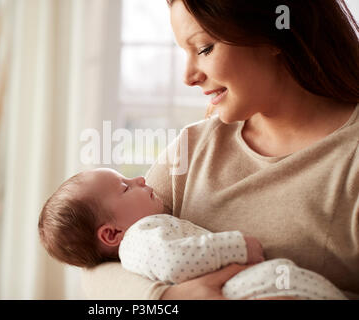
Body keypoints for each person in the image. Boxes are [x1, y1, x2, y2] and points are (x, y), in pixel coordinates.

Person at [81, 0, 359, 300]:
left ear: (275, 34)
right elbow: (98, 269)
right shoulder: (193, 149)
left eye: (203, 48)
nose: (188, 76)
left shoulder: (349, 157)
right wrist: (167, 299)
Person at [38, 168, 347, 300]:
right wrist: (237, 247)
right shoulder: (141, 236)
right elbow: (176, 260)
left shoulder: (142, 229)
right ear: (111, 233)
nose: (141, 178)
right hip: (252, 288)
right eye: (124, 187)